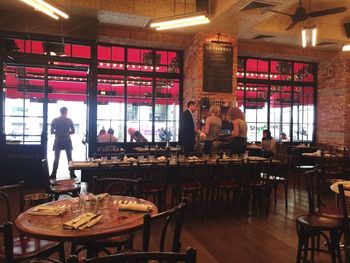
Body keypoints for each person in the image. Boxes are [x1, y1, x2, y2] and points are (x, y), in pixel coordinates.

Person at [50, 107, 75, 179]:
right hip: (67, 140)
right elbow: (73, 131)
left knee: (56, 158)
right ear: (66, 112)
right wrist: (67, 132)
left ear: (60, 112)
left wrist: (57, 132)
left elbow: (51, 131)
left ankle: (53, 174)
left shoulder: (55, 120)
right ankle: (72, 173)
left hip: (58, 141)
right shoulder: (69, 120)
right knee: (69, 158)